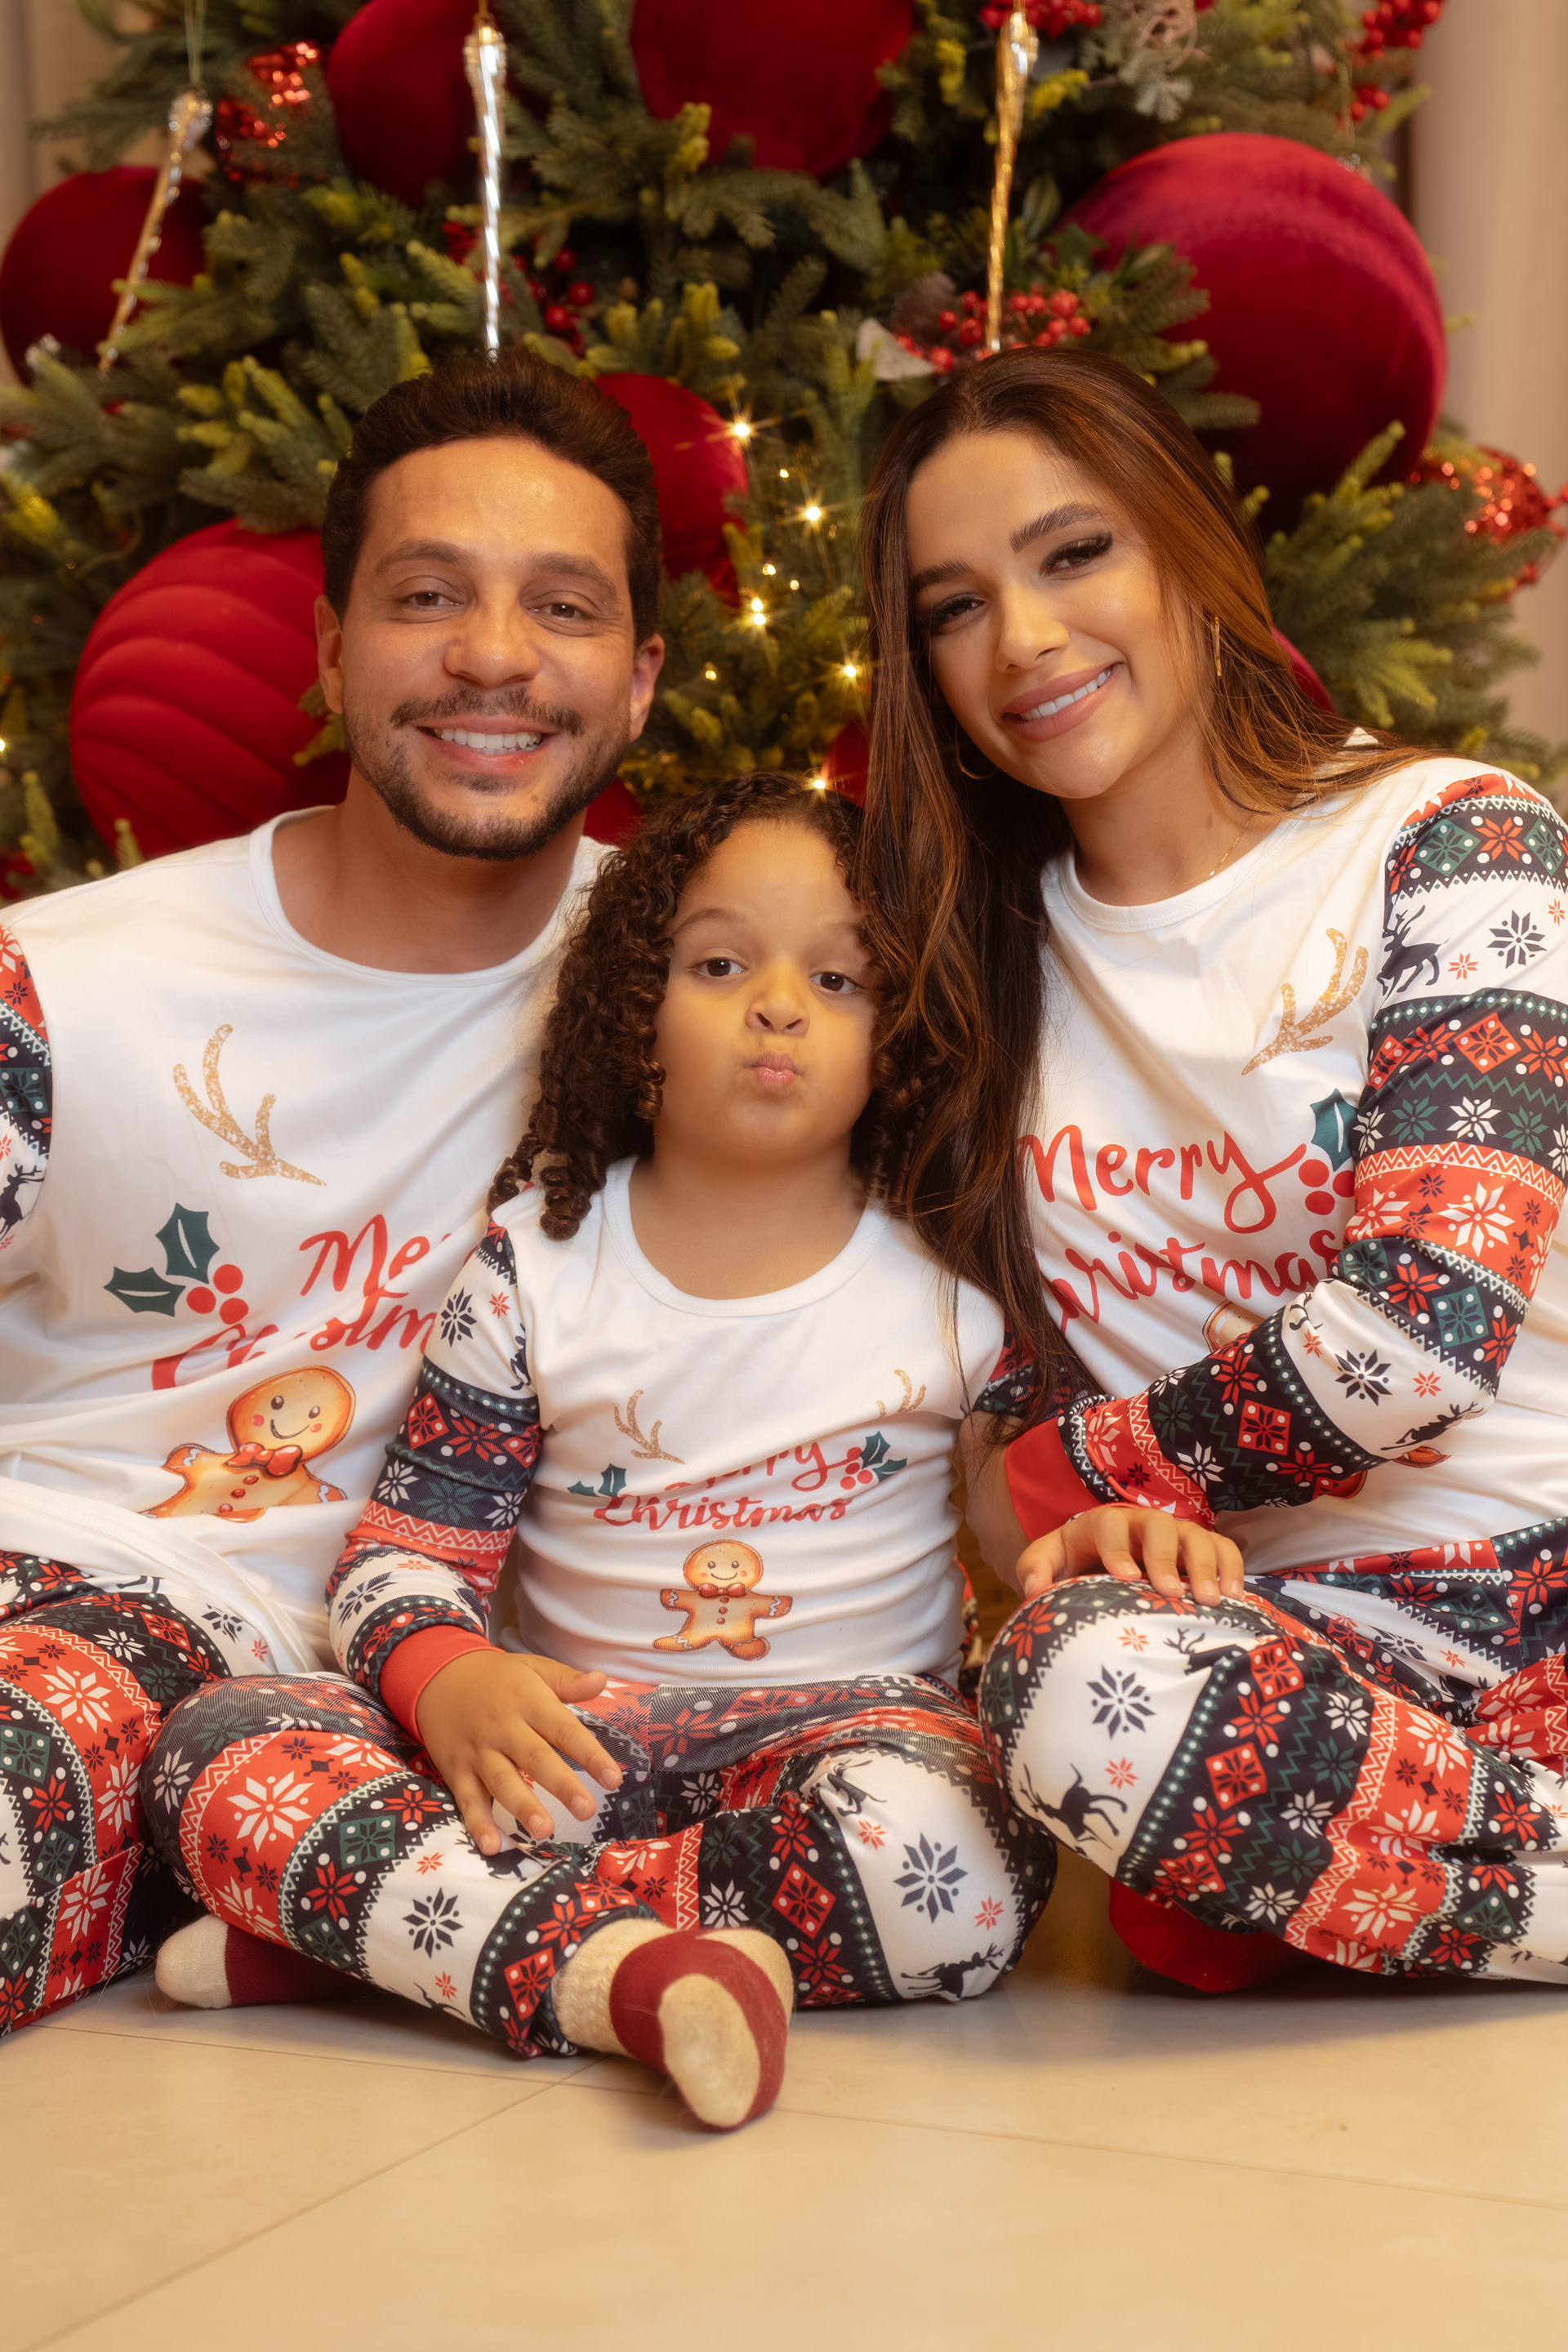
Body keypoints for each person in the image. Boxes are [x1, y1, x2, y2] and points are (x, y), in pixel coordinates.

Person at [144, 773, 1060, 2129]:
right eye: (720, 965)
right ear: (638, 1009)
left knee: (955, 1864)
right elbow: (407, 1554)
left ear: (899, 1033)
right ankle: (633, 1961)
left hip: (840, 1746)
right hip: (555, 1758)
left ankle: (413, 1943)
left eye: (839, 980)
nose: (778, 1007)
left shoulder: (955, 1278)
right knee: (214, 1751)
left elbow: (1023, 1518)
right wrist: (451, 1680)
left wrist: (1088, 1518)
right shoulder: (534, 1268)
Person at [855, 345, 1568, 1989]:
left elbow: (1418, 1341)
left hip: (1546, 1571)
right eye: (955, 607)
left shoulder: (1456, 838)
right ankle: (1419, 1871)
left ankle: (1355, 1875)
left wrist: (1087, 1477)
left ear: (1190, 546)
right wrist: (1082, 1522)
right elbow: (999, 1440)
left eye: (1072, 553)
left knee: (1188, 1899)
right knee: (1069, 1694)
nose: (1025, 640)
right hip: (1296, 1643)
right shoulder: (964, 978)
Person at [0, 345, 666, 2033]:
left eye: (564, 607)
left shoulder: (703, 1002)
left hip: (291, 1664)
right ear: (329, 649)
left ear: (642, 677)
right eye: (427, 595)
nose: (493, 654)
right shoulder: (66, 984)